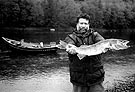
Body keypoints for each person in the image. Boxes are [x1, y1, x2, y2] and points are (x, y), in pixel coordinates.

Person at [64, 13, 105, 92]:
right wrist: (70, 49)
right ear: (77, 24)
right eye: (81, 23)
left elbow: (102, 42)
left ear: (89, 25)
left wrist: (107, 47)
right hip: (78, 78)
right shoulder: (71, 37)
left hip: (95, 78)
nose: (83, 25)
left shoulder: (95, 35)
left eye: (85, 23)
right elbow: (70, 44)